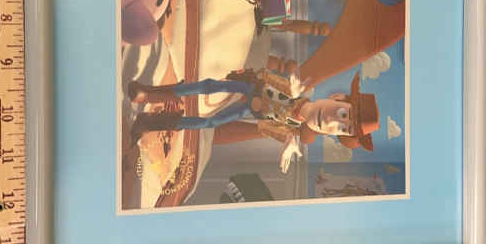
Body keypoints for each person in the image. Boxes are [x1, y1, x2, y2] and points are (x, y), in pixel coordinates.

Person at [128, 68, 379, 174]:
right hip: (249, 88)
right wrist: (278, 82)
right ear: (337, 97)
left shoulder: (292, 129)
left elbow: (263, 127)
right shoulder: (297, 91)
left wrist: (288, 141)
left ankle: (151, 122)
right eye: (342, 114)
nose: (333, 120)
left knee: (209, 123)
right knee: (209, 86)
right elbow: (267, 76)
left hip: (247, 108)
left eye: (342, 128)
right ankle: (149, 93)